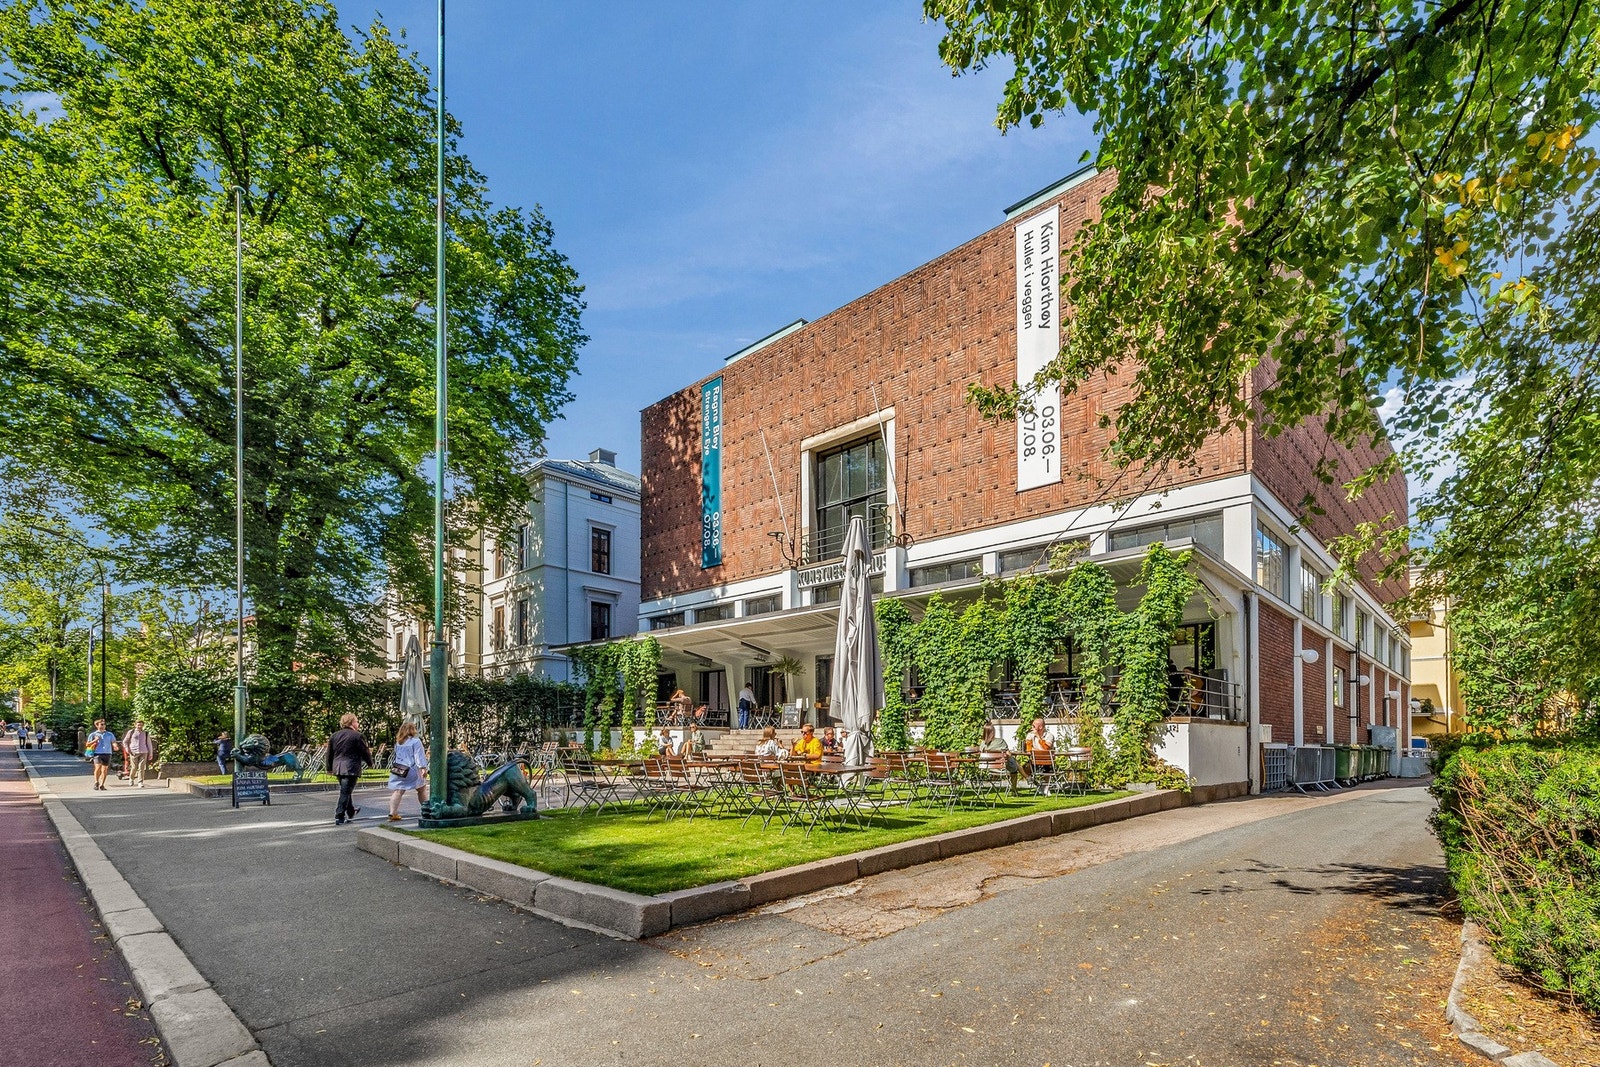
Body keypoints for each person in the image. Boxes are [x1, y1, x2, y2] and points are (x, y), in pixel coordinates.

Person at [328, 712, 372, 826]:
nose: (358, 723)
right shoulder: (357, 736)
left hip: (337, 767)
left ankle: (351, 811)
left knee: (346, 790)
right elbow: (365, 751)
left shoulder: (335, 735)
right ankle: (339, 815)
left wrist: (329, 768)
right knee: (345, 791)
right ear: (352, 723)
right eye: (357, 721)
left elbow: (329, 753)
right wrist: (370, 762)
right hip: (351, 767)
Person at [385, 722, 428, 822]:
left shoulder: (399, 742)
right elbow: (419, 756)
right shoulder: (416, 742)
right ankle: (427, 810)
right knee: (421, 789)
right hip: (412, 769)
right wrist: (423, 768)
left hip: (399, 769)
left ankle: (392, 813)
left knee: (398, 791)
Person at [979, 723, 1020, 791]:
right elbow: (1008, 754)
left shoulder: (983, 744)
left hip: (988, 768)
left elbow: (981, 754)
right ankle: (1014, 789)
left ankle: (1027, 778)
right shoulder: (1000, 741)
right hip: (1001, 768)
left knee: (1014, 763)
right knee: (1014, 767)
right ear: (993, 731)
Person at [86, 719, 117, 791]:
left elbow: (113, 741)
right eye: (101, 724)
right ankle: (96, 782)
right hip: (97, 753)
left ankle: (102, 784)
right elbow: (87, 744)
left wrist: (115, 746)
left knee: (105, 769)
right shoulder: (93, 734)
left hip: (107, 753)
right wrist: (95, 740)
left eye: (104, 724)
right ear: (97, 725)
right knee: (98, 767)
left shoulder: (109, 734)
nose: (103, 726)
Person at [121, 719, 154, 788]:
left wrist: (151, 753)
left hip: (144, 751)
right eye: (138, 725)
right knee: (134, 767)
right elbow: (125, 741)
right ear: (135, 725)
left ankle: (140, 782)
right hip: (133, 751)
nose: (140, 726)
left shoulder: (145, 733)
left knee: (141, 767)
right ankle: (131, 778)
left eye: (141, 725)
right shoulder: (131, 732)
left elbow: (149, 743)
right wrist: (127, 749)